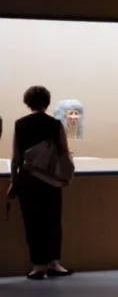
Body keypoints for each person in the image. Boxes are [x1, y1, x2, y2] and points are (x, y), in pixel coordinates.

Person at [6, 86, 73, 280]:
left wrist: (14, 181)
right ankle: (54, 263)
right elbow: (64, 151)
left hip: (28, 180)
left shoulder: (20, 124)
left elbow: (16, 157)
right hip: (50, 180)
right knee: (52, 221)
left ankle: (37, 266)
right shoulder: (55, 124)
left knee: (32, 223)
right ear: (47, 102)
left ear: (27, 102)